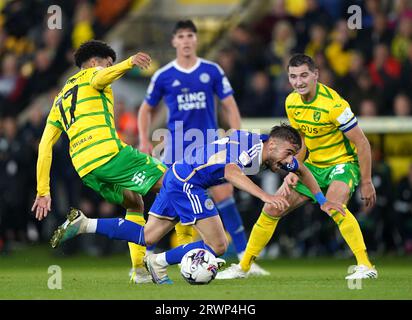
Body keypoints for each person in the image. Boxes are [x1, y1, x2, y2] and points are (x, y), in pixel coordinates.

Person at [48, 125, 345, 284]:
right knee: (216, 246)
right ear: (275, 143)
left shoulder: (263, 146)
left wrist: (322, 200)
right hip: (190, 182)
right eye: (289, 152)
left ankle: (85, 224)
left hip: (179, 175)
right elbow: (230, 172)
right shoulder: (255, 149)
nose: (288, 160)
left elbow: (302, 170)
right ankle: (159, 263)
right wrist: (266, 196)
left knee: (147, 236)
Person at [217, 53, 378, 280]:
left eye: (304, 75)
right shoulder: (291, 102)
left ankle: (365, 265)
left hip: (342, 164)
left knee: (333, 205)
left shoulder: (334, 105)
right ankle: (243, 268)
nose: (298, 81)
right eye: (293, 76)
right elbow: (300, 141)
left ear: (315, 75)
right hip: (312, 166)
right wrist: (294, 170)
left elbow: (361, 141)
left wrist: (366, 180)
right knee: (272, 208)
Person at [138, 20, 268, 276]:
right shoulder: (163, 75)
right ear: (174, 41)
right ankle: (147, 259)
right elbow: (145, 109)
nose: (186, 41)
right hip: (176, 147)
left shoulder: (212, 70)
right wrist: (144, 140)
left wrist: (237, 134)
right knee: (166, 202)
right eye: (181, 36)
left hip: (208, 145)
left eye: (190, 36)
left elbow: (229, 104)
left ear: (196, 40)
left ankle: (244, 260)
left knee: (225, 195)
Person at [31, 40, 166, 283]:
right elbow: (99, 79)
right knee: (173, 182)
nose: (109, 70)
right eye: (108, 64)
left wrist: (43, 190)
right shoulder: (92, 74)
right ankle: (185, 251)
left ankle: (140, 271)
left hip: (85, 168)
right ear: (94, 62)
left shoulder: (60, 99)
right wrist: (128, 63)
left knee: (135, 203)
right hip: (108, 154)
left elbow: (44, 146)